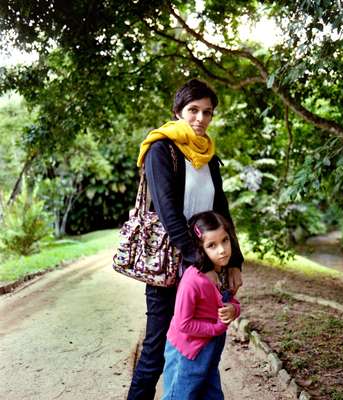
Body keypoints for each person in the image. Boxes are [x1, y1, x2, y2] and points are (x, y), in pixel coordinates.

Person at [127, 78, 244, 400]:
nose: (200, 119)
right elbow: (168, 214)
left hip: (205, 261)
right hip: (170, 264)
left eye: (208, 112)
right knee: (157, 346)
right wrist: (201, 263)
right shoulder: (161, 150)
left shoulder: (208, 156)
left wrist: (234, 261)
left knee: (202, 345)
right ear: (177, 111)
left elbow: (221, 212)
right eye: (193, 110)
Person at [162, 211, 241, 400]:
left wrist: (234, 309)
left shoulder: (224, 272)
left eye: (225, 240)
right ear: (200, 248)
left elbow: (230, 301)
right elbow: (183, 324)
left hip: (210, 350)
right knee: (180, 396)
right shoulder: (193, 281)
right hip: (187, 351)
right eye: (212, 245)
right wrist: (216, 328)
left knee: (212, 394)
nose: (222, 250)